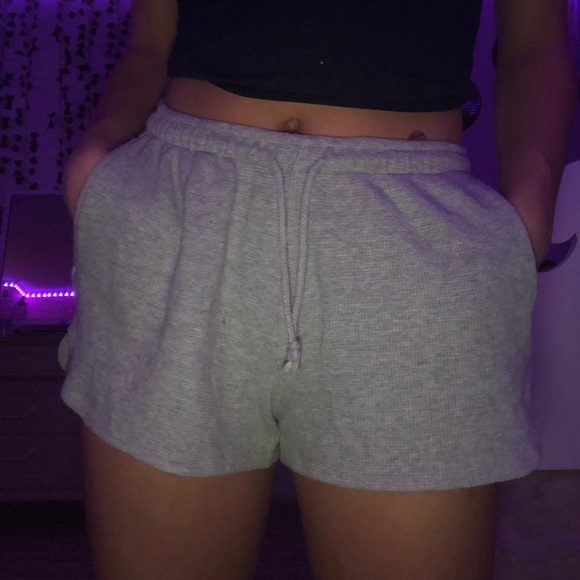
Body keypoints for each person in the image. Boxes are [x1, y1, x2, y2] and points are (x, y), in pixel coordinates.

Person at [60, 1, 577, 578]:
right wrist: (99, 149)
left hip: (410, 247)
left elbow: (535, 43)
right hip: (179, 213)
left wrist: (531, 203)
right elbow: (151, 43)